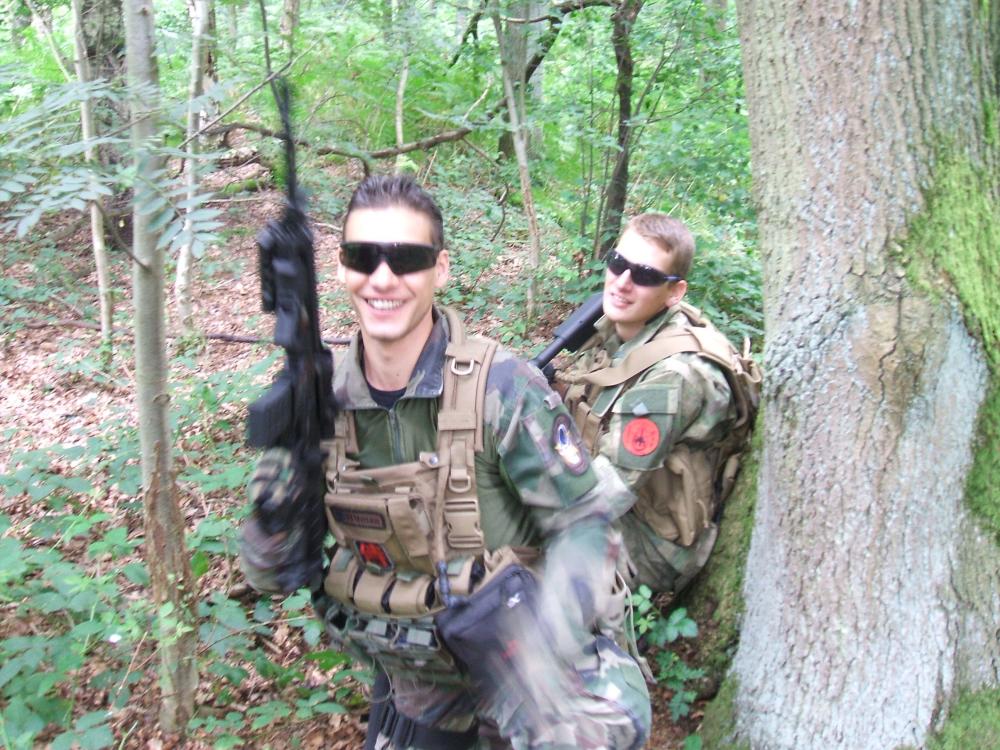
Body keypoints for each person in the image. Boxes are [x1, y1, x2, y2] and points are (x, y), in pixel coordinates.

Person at [240, 174, 651, 750]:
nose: (383, 278)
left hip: (522, 656)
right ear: (341, 268)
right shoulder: (319, 403)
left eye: (407, 258)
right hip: (418, 671)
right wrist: (278, 503)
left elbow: (587, 525)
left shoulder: (501, 390)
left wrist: (543, 647)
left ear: (440, 269)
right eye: (364, 256)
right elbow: (268, 573)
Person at [555, 213, 760, 599]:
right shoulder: (619, 326)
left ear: (674, 292)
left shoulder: (676, 375)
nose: (623, 282)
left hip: (649, 544)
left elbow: (603, 494)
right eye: (617, 263)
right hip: (621, 502)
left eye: (645, 275)